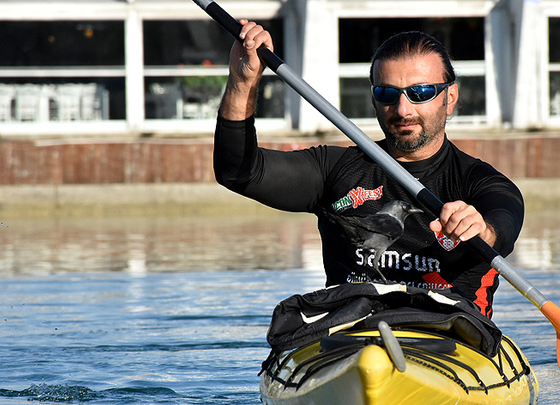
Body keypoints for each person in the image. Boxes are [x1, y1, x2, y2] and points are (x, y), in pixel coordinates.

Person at [213, 21, 523, 317]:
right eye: (387, 94)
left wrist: (483, 230)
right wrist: (242, 82)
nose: (403, 110)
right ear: (374, 99)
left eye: (421, 93)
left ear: (450, 97)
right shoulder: (334, 170)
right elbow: (239, 172)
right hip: (354, 336)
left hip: (452, 338)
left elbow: (502, 226)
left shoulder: (482, 184)